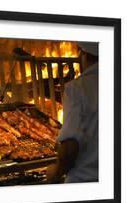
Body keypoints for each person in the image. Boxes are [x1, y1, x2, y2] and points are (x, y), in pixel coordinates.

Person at [46, 42, 99, 183]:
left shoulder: (77, 88)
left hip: (85, 180)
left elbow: (70, 146)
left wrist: (56, 171)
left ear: (84, 55)